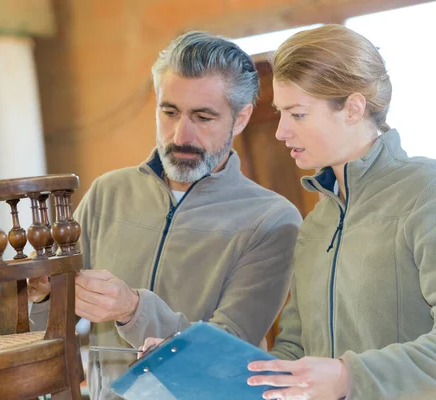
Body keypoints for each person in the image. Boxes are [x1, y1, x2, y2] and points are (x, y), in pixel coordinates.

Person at [28, 31, 302, 400]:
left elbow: (227, 350)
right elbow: (49, 330)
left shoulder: (273, 220)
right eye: (169, 111)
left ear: (241, 118)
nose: (180, 134)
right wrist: (41, 294)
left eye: (203, 117)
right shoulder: (108, 193)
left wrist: (134, 310)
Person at [242, 24, 436, 400]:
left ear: (353, 108)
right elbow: (297, 351)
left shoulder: (433, 189)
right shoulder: (316, 224)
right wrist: (211, 371)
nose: (281, 131)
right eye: (280, 113)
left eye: (297, 114)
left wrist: (350, 377)